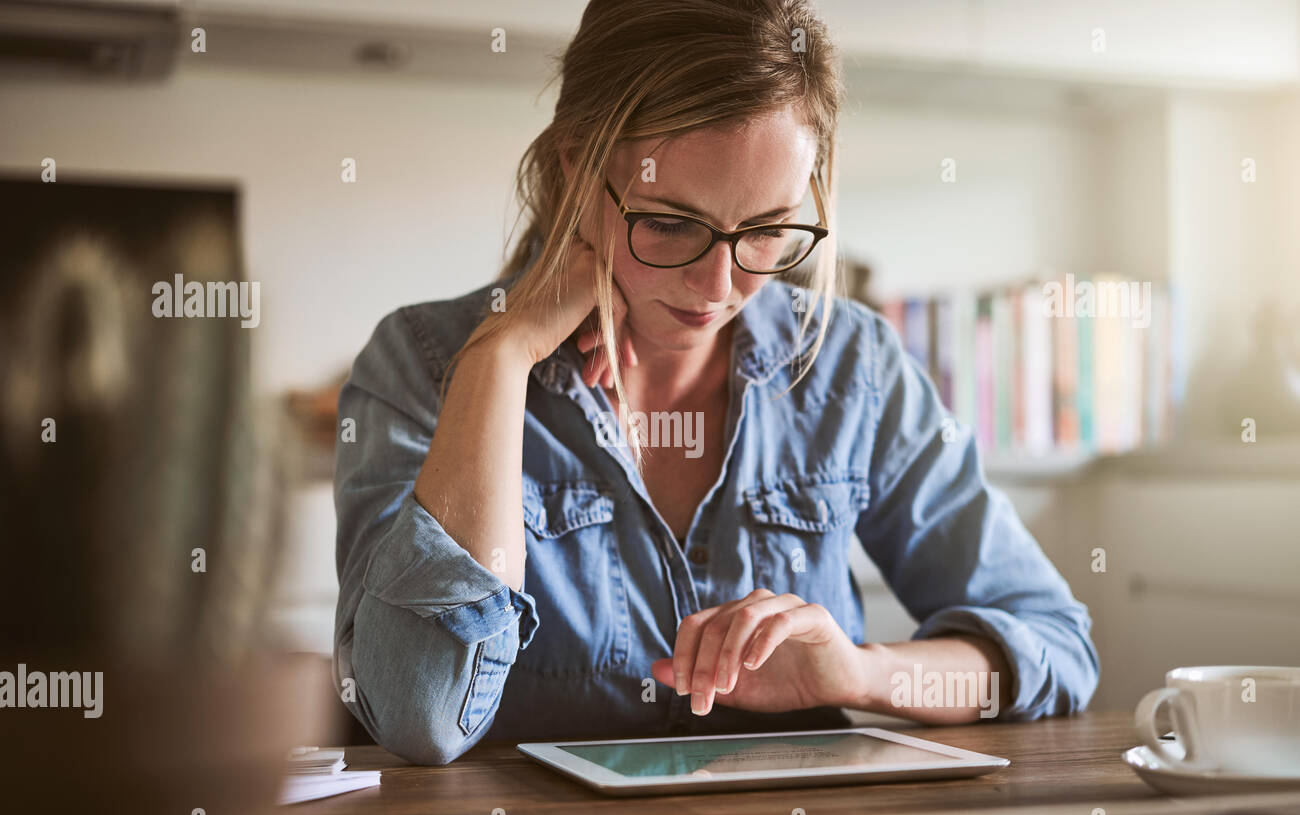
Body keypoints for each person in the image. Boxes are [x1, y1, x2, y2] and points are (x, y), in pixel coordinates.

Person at [333, 0, 1099, 766]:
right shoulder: (425, 364)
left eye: (767, 230)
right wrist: (500, 358)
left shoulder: (851, 366)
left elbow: (1056, 648)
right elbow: (417, 716)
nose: (718, 284)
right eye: (670, 223)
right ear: (577, 161)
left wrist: (864, 673)